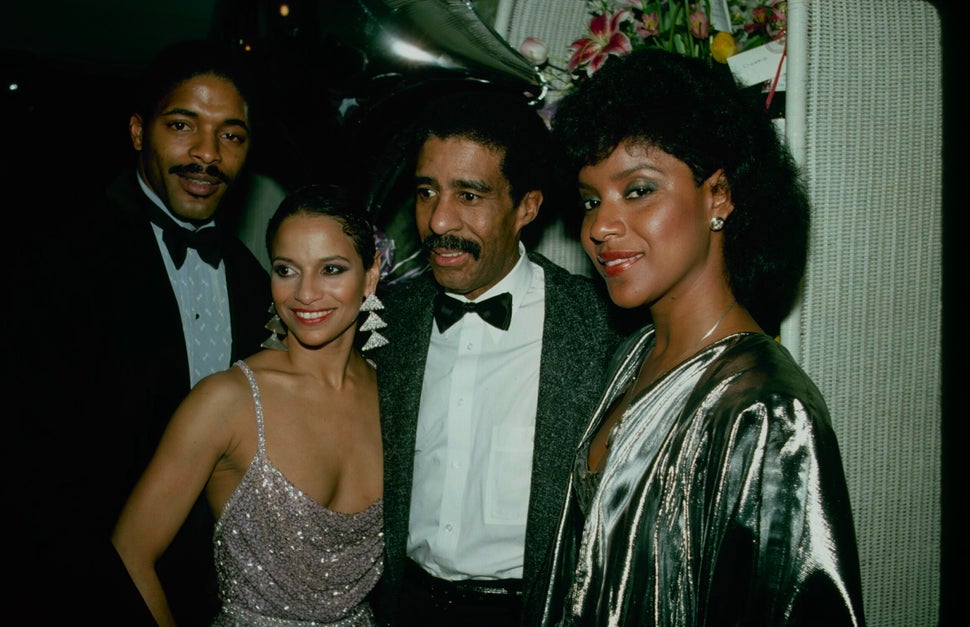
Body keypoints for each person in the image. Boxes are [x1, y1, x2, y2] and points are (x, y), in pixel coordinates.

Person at [537, 48, 867, 626]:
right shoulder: (633, 355)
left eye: (637, 190)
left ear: (718, 195)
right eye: (591, 200)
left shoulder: (767, 413)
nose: (599, 227)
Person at [11, 39, 271, 623]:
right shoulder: (59, 260)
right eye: (184, 125)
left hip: (211, 586)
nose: (207, 154)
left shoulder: (255, 281)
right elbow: (32, 463)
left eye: (231, 135)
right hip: (79, 581)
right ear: (137, 133)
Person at [369, 88, 624, 626]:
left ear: (526, 207)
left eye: (469, 195)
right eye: (426, 192)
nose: (438, 222)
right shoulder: (386, 321)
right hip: (401, 607)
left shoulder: (598, 328)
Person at [112, 183, 386, 626]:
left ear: (370, 275)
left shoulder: (393, 396)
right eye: (286, 270)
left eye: (331, 269)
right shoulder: (227, 401)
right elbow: (130, 553)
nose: (306, 294)